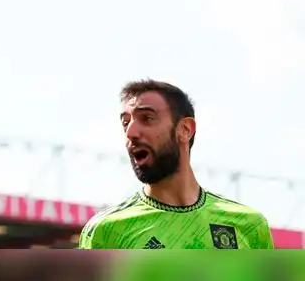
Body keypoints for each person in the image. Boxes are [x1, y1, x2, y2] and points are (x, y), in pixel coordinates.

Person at [78, 79, 274, 249]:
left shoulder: (249, 226)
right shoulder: (105, 232)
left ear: (185, 129)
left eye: (146, 118)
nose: (131, 132)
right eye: (125, 123)